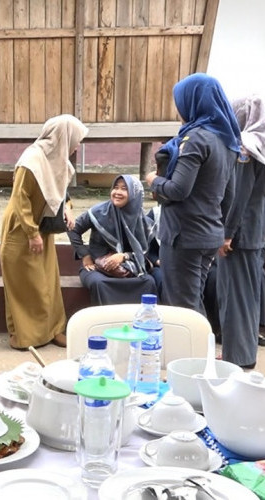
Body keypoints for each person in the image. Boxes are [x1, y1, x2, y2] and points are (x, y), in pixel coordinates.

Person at [145, 73, 240, 314]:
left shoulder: (196, 138)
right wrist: (222, 231)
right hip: (209, 234)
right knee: (193, 301)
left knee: (182, 308)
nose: (179, 109)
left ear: (193, 101)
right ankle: (201, 350)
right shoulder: (226, 140)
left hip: (184, 236)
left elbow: (178, 190)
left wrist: (153, 180)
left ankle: (192, 352)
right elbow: (229, 194)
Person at [0, 114, 88, 349]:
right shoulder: (31, 160)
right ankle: (26, 335)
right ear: (63, 137)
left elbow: (59, 193)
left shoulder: (57, 160)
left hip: (43, 229)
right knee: (25, 284)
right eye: (75, 139)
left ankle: (54, 329)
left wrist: (67, 208)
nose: (77, 145)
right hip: (21, 229)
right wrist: (31, 233)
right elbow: (21, 199)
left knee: (47, 282)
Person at [213, 95, 265, 369]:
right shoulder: (261, 144)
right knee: (246, 296)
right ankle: (240, 352)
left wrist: (227, 233)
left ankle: (239, 358)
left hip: (239, 236)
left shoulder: (246, 148)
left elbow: (239, 195)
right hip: (253, 232)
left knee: (236, 299)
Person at [67, 175, 158, 305]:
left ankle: (139, 321)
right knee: (99, 283)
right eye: (115, 188)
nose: (117, 192)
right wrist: (85, 255)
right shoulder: (99, 212)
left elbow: (143, 253)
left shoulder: (143, 221)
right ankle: (106, 322)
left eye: (124, 189)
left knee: (148, 282)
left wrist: (124, 256)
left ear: (135, 194)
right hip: (97, 266)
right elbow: (73, 229)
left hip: (131, 267)